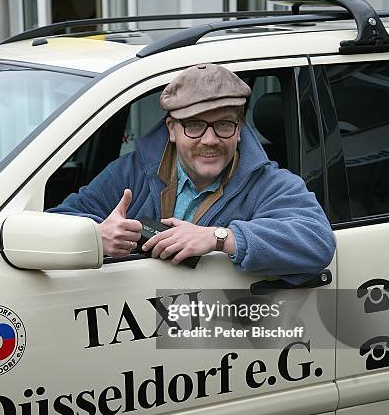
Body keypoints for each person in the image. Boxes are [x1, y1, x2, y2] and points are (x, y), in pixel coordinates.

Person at [49, 63, 335, 280]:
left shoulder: (271, 184)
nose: (209, 140)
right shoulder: (130, 173)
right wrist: (98, 234)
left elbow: (317, 242)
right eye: (194, 125)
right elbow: (56, 221)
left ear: (239, 130)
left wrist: (219, 238)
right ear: (172, 129)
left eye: (224, 124)